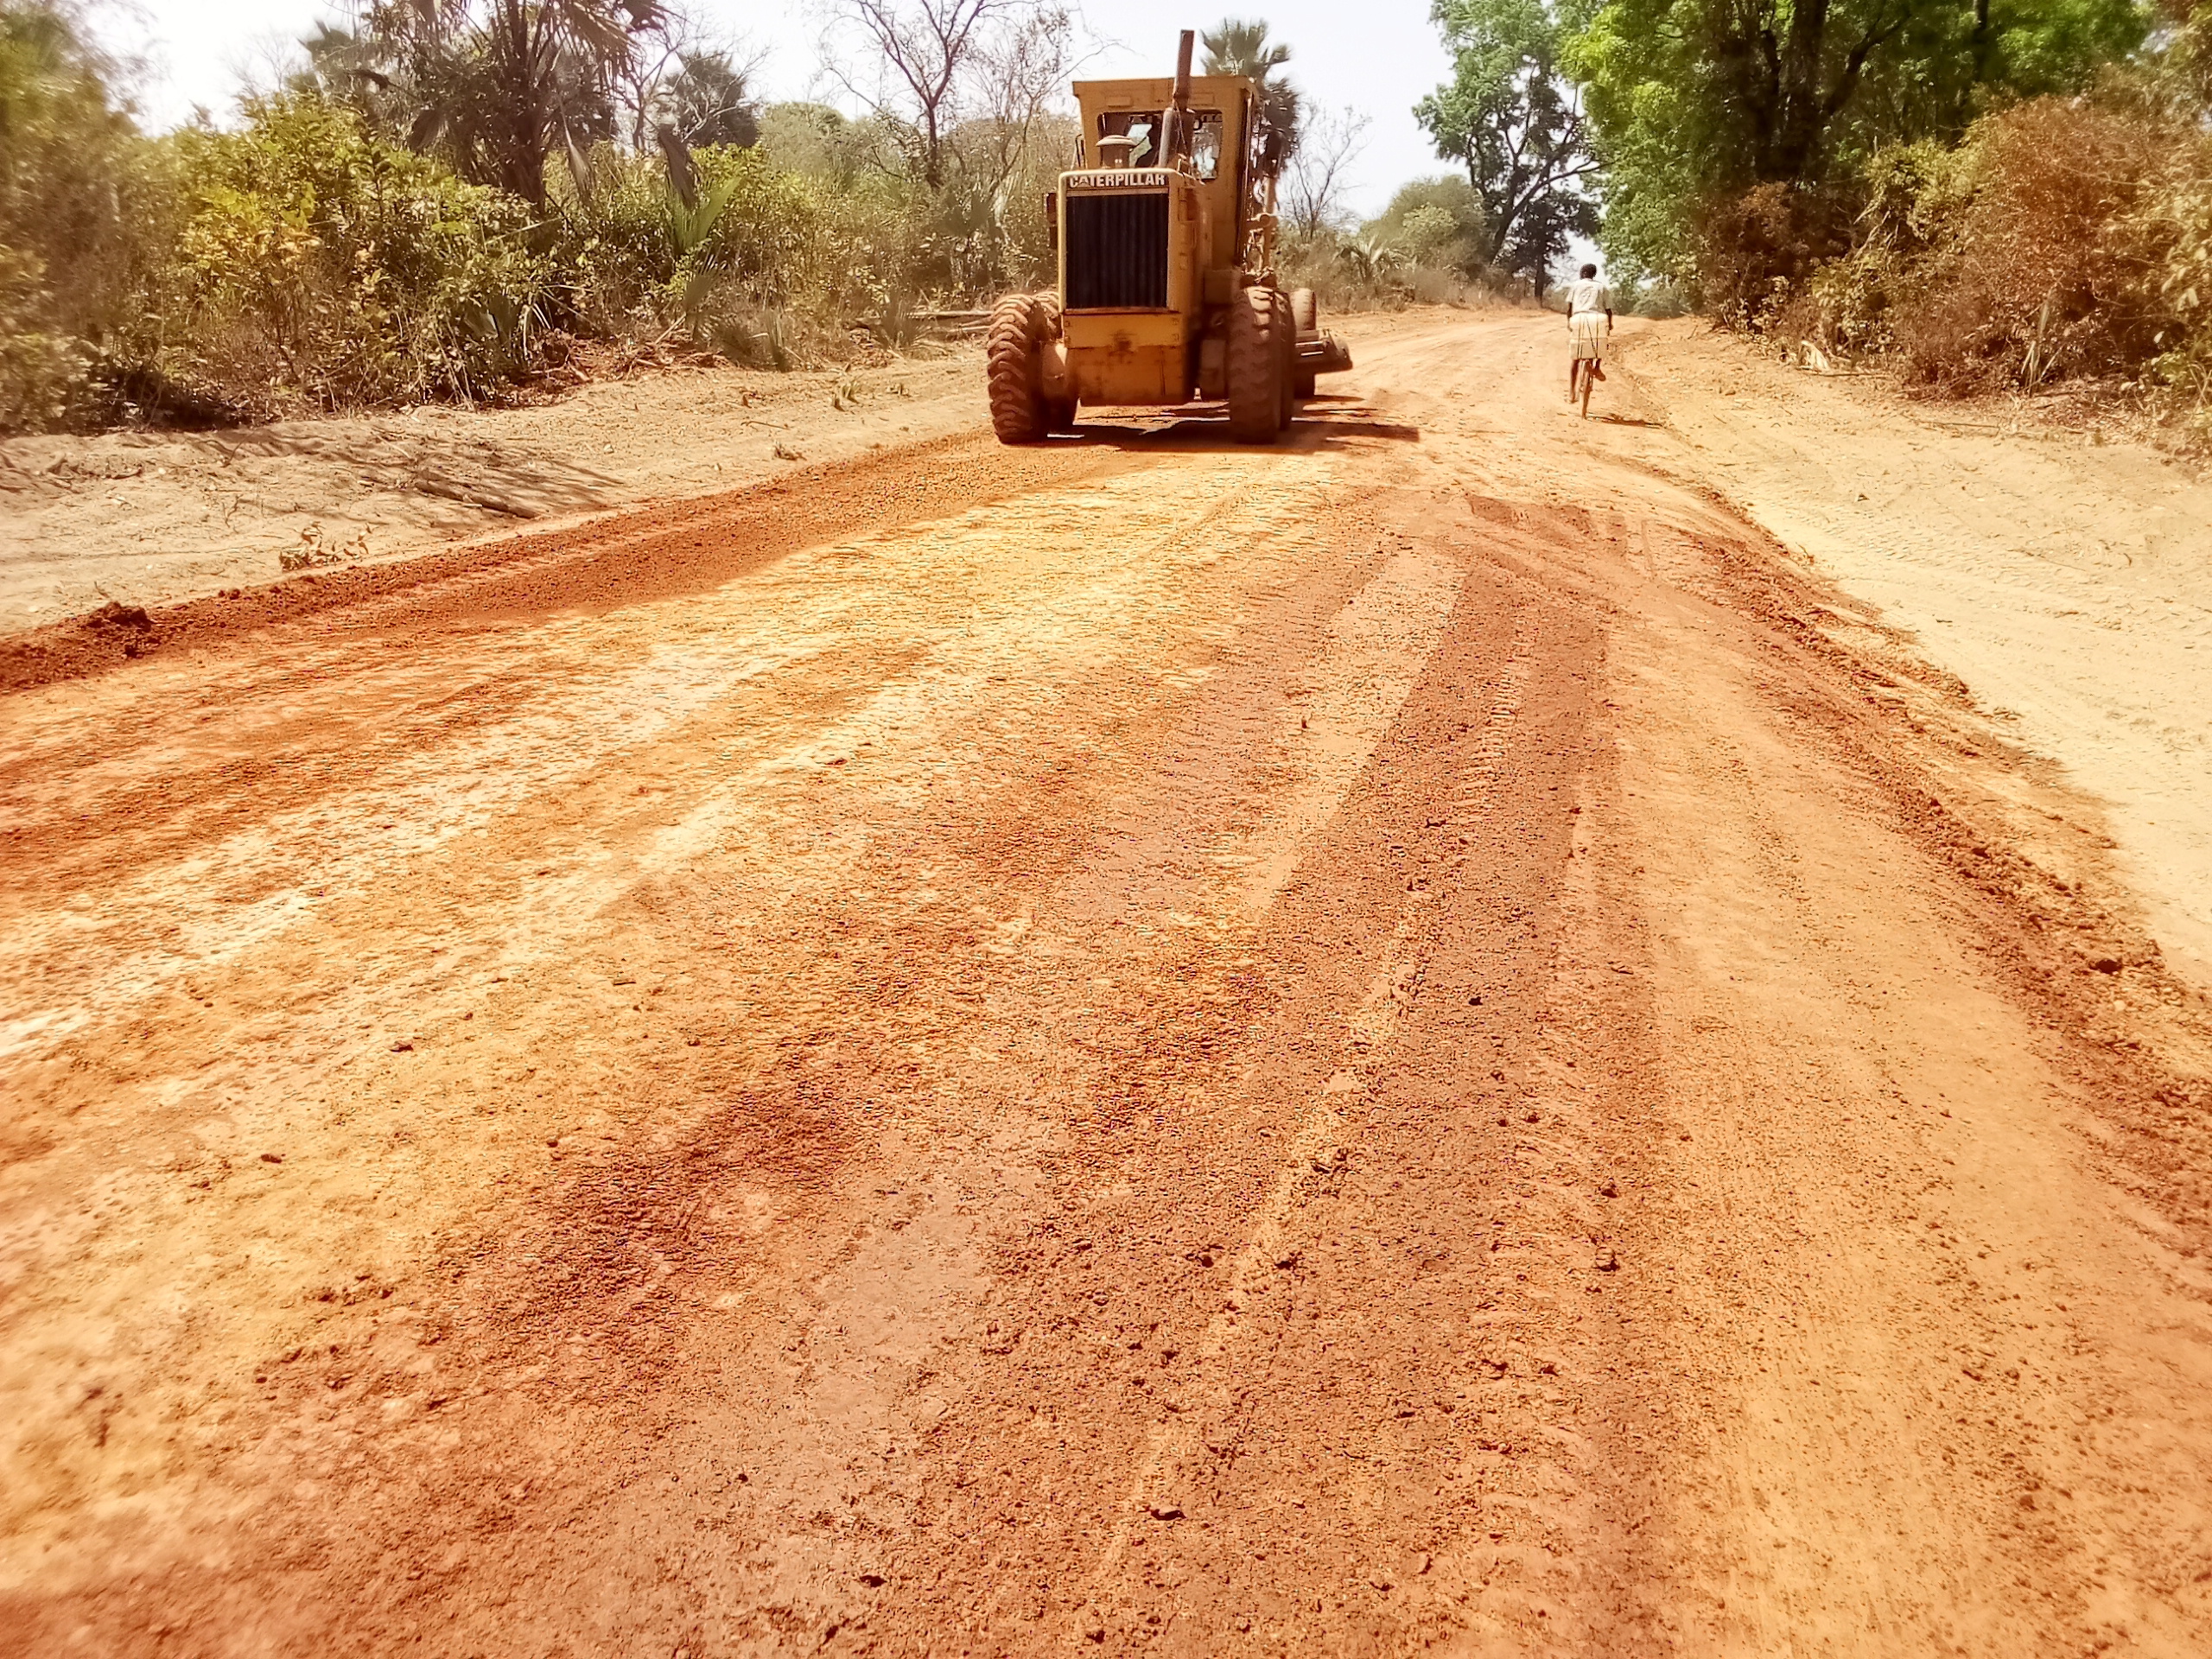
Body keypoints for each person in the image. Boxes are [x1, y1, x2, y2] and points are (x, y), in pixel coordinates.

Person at [1566, 263, 1613, 416]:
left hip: (1579, 317)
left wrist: (1569, 323)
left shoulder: (1575, 285)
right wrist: (1610, 325)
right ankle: (1597, 366)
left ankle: (1572, 393)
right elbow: (1608, 310)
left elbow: (1569, 307)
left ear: (1583, 273)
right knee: (1602, 342)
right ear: (1594, 274)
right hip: (1598, 318)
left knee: (1576, 356)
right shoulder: (1602, 287)